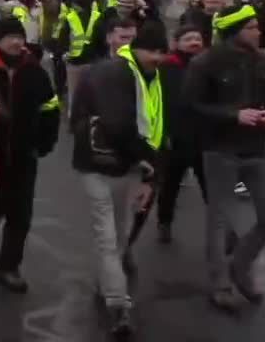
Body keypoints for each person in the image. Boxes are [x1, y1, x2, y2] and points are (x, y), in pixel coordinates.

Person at [184, 4, 265, 313]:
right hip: (220, 150)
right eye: (252, 27)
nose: (259, 31)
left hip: (256, 150)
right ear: (234, 31)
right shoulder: (206, 63)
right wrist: (233, 115)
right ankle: (221, 284)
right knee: (218, 219)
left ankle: (240, 266)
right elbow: (191, 106)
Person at [69, 21, 168, 337]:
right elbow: (119, 124)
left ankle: (106, 282)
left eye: (162, 52)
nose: (159, 57)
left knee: (120, 234)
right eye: (154, 51)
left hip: (125, 164)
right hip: (100, 163)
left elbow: (153, 121)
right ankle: (118, 305)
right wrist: (147, 160)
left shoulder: (145, 74)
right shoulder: (116, 73)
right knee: (109, 237)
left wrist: (148, 164)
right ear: (137, 48)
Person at [0, 18, 59, 293]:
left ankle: (9, 266)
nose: (17, 42)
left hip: (24, 155)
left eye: (20, 36)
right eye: (10, 37)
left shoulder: (34, 71)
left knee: (21, 215)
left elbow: (50, 107)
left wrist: (45, 142)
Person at [156, 26, 208, 243]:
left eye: (197, 38)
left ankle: (223, 227)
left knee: (211, 186)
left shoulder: (209, 65)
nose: (194, 42)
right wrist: (164, 133)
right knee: (170, 184)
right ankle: (164, 222)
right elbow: (161, 103)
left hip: (204, 137)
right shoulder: (167, 67)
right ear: (176, 43)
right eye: (188, 39)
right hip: (176, 137)